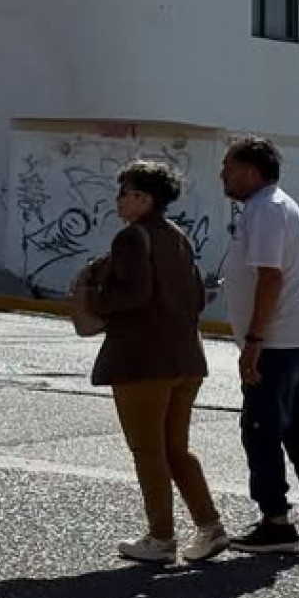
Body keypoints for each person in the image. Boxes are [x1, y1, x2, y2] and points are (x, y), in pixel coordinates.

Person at [87, 159, 225, 564]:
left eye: (124, 193)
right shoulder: (179, 237)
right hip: (186, 358)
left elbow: (134, 295)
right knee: (176, 449)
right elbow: (197, 297)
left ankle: (161, 538)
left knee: (148, 450)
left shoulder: (132, 238)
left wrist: (95, 299)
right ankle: (210, 527)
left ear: (143, 198)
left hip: (143, 360)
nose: (118, 200)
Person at [219, 137, 299, 554]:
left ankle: (275, 522)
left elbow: (270, 276)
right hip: (296, 337)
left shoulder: (266, 209)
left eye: (229, 167)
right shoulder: (275, 206)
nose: (223, 175)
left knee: (260, 429)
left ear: (253, 170)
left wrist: (254, 340)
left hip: (278, 340)